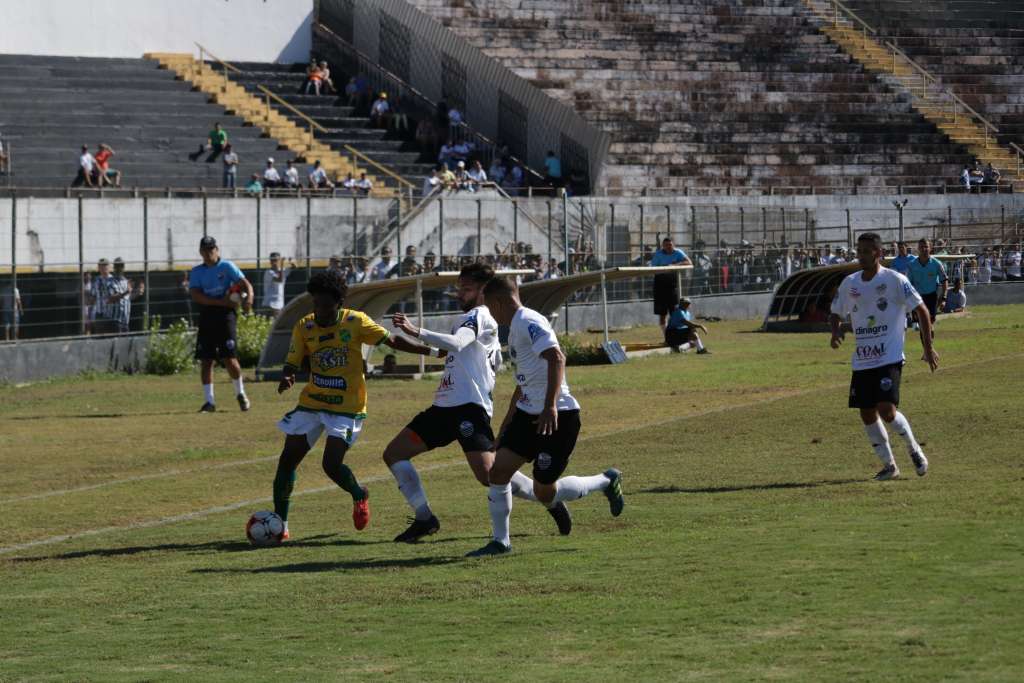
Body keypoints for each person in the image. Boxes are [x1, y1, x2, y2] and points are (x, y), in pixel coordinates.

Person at [384, 263, 571, 543]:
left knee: (490, 476)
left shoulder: (479, 315)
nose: (460, 293)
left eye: (466, 288)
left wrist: (415, 330)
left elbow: (458, 343)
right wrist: (409, 346)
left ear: (484, 291)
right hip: (444, 407)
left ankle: (549, 500)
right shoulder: (476, 317)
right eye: (459, 288)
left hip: (468, 408)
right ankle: (424, 518)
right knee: (395, 453)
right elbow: (452, 352)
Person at [465, 275, 624, 557]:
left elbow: (557, 357)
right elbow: (523, 382)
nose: (489, 312)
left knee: (544, 491)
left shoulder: (529, 321)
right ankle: (500, 542)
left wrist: (550, 405)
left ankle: (605, 480)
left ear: (500, 302)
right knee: (497, 472)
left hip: (558, 415)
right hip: (528, 414)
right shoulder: (514, 328)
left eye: (490, 305)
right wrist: (504, 427)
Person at [273, 270, 437, 539]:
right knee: (287, 460)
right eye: (316, 304)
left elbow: (392, 340)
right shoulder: (305, 325)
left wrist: (431, 350)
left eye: (326, 305)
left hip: (347, 408)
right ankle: (281, 525)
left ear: (339, 303)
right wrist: (288, 374)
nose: (320, 311)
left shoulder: (355, 322)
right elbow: (293, 359)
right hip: (312, 403)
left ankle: (359, 494)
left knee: (331, 464)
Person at [830, 232, 938, 481]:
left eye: (867, 251)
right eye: (859, 250)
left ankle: (914, 450)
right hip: (863, 359)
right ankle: (890, 466)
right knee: (866, 413)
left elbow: (921, 310)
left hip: (889, 357)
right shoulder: (850, 283)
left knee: (887, 410)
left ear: (878, 254)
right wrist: (835, 332)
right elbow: (835, 311)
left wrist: (927, 347)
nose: (861, 255)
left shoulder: (895, 280)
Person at [189, 236, 254, 413]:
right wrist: (222, 302)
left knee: (229, 357)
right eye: (205, 250)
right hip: (208, 315)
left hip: (226, 316)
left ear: (217, 249)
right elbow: (196, 295)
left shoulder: (227, 267)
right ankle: (209, 402)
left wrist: (249, 299)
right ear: (200, 252)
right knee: (206, 360)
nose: (208, 253)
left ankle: (241, 393)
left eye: (211, 249)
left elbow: (245, 284)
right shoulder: (196, 272)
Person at [648, 237, 693, 329]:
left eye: (670, 245)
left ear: (673, 245)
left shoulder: (678, 252)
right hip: (660, 286)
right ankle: (666, 337)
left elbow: (689, 262)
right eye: (666, 245)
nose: (668, 247)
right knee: (662, 314)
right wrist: (664, 268)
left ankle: (674, 334)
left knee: (675, 312)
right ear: (662, 246)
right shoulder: (658, 254)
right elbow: (652, 269)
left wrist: (675, 265)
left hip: (673, 286)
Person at [907, 238, 947, 328]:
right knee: (920, 326)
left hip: (931, 297)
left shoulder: (937, 264)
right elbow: (908, 284)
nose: (924, 249)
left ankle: (929, 340)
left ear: (931, 248)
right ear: (918, 249)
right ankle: (927, 340)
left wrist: (944, 298)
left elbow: (944, 280)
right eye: (921, 247)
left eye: (926, 247)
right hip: (917, 297)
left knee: (929, 324)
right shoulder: (911, 265)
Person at [88, 258, 130, 334]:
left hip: (110, 316)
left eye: (105, 265)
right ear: (98, 268)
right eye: (101, 266)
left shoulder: (114, 279)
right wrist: (90, 315)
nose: (104, 268)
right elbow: (92, 298)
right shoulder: (96, 280)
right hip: (99, 314)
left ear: (109, 267)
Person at [262, 252, 291, 318]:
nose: (274, 262)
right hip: (269, 304)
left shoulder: (282, 271)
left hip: (279, 306)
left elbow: (294, 267)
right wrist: (282, 264)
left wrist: (290, 261)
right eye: (272, 260)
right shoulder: (269, 272)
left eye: (276, 260)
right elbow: (279, 280)